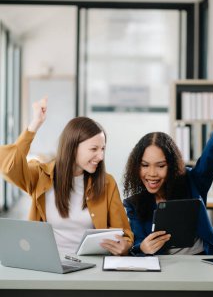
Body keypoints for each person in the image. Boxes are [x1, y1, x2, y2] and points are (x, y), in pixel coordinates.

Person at [0, 97, 133, 255]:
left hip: (92, 268)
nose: (101, 156)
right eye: (94, 149)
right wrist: (35, 124)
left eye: (103, 149)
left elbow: (125, 233)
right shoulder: (40, 175)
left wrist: (125, 244)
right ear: (73, 147)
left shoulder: (107, 183)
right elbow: (9, 165)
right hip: (48, 265)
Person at [123, 82, 213, 256]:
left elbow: (212, 153)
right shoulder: (134, 204)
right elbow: (138, 245)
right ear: (136, 167)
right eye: (144, 165)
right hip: (162, 269)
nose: (151, 173)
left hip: (201, 262)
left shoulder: (193, 181)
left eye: (161, 166)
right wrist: (142, 248)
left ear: (171, 166)